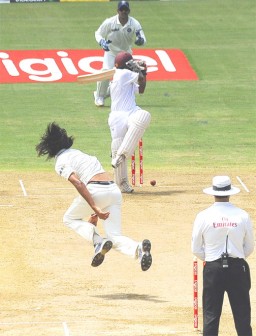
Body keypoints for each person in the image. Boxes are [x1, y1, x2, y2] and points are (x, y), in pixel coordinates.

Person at [35, 122, 152, 271]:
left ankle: (97, 242)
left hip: (97, 191)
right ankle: (139, 249)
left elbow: (78, 183)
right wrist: (95, 212)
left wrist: (95, 208)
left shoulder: (60, 162)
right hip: (113, 191)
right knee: (114, 236)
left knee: (69, 218)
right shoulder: (79, 153)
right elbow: (92, 177)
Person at [191, 176, 255, 336]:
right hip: (238, 268)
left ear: (213, 193)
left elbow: (196, 248)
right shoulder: (242, 215)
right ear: (229, 193)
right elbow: (249, 247)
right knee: (242, 317)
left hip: (213, 269)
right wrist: (237, 257)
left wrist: (212, 259)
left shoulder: (203, 216)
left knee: (211, 316)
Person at [108, 51, 150, 193]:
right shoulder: (123, 74)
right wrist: (141, 69)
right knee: (117, 145)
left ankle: (121, 155)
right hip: (117, 116)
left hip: (131, 111)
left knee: (143, 115)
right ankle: (122, 184)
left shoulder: (125, 76)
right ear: (127, 65)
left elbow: (142, 89)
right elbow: (140, 79)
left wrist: (145, 73)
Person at [94, 0, 146, 107]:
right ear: (117, 11)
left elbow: (142, 37)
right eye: (121, 10)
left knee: (125, 79)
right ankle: (99, 97)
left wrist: (141, 40)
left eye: (125, 10)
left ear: (129, 11)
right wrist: (101, 41)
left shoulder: (134, 23)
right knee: (106, 72)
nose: (123, 12)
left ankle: (103, 94)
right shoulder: (110, 22)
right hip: (111, 53)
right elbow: (98, 33)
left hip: (126, 55)